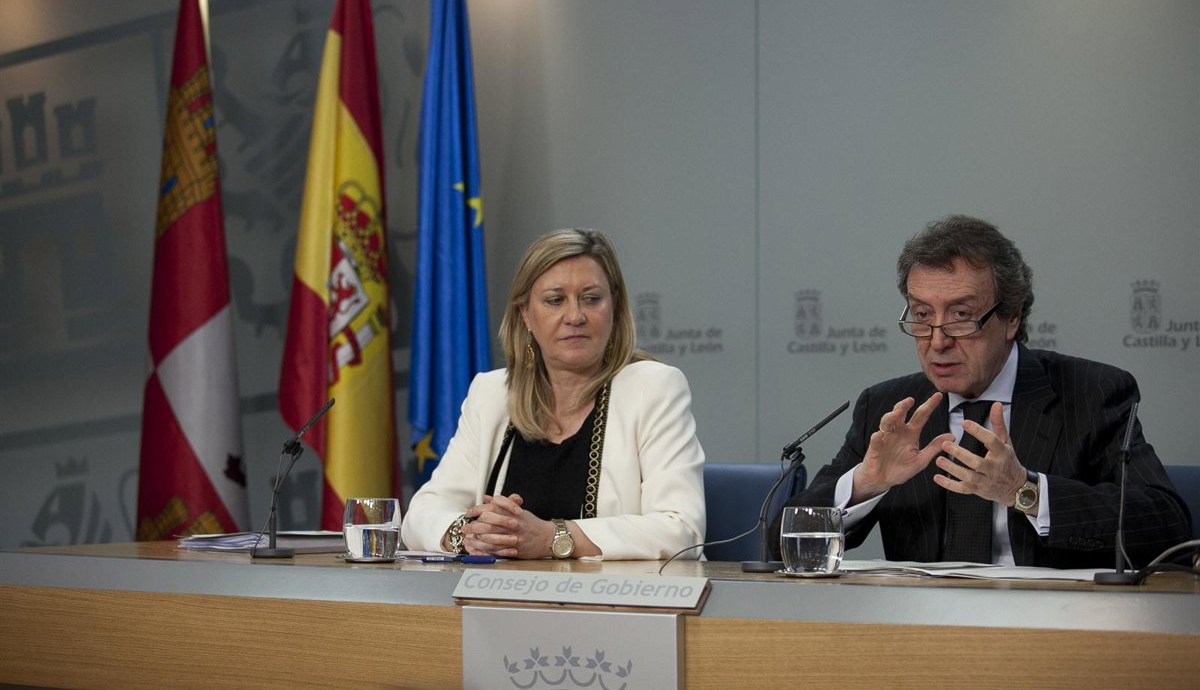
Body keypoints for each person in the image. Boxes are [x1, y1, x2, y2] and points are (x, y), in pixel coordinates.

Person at [781, 215, 1189, 568]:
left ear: (1011, 317)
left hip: (1049, 620)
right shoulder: (889, 408)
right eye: (922, 315)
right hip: (922, 624)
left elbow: (1166, 525)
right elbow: (776, 543)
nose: (937, 341)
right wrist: (864, 483)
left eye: (961, 315)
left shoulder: (1092, 393)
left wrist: (1024, 491)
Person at [401, 228, 706, 560]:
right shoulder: (492, 394)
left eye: (591, 298)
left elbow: (681, 529)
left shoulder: (653, 387)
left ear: (615, 308)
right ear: (526, 314)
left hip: (617, 592)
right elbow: (422, 514)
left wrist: (552, 538)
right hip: (501, 591)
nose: (575, 316)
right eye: (555, 300)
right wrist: (469, 534)